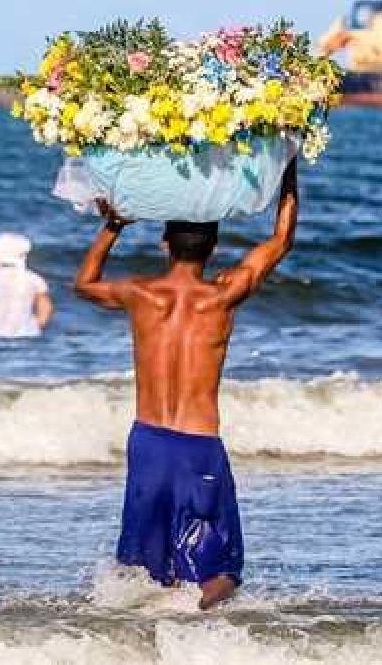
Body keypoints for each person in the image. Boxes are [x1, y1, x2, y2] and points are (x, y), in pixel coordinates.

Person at [74, 159, 299, 610]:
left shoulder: (139, 294)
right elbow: (280, 240)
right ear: (213, 249)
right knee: (222, 571)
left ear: (164, 244)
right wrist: (287, 167)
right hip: (198, 444)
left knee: (148, 566)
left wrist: (113, 226)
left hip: (148, 442)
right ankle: (197, 626)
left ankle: (146, 634)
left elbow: (84, 284)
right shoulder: (222, 297)